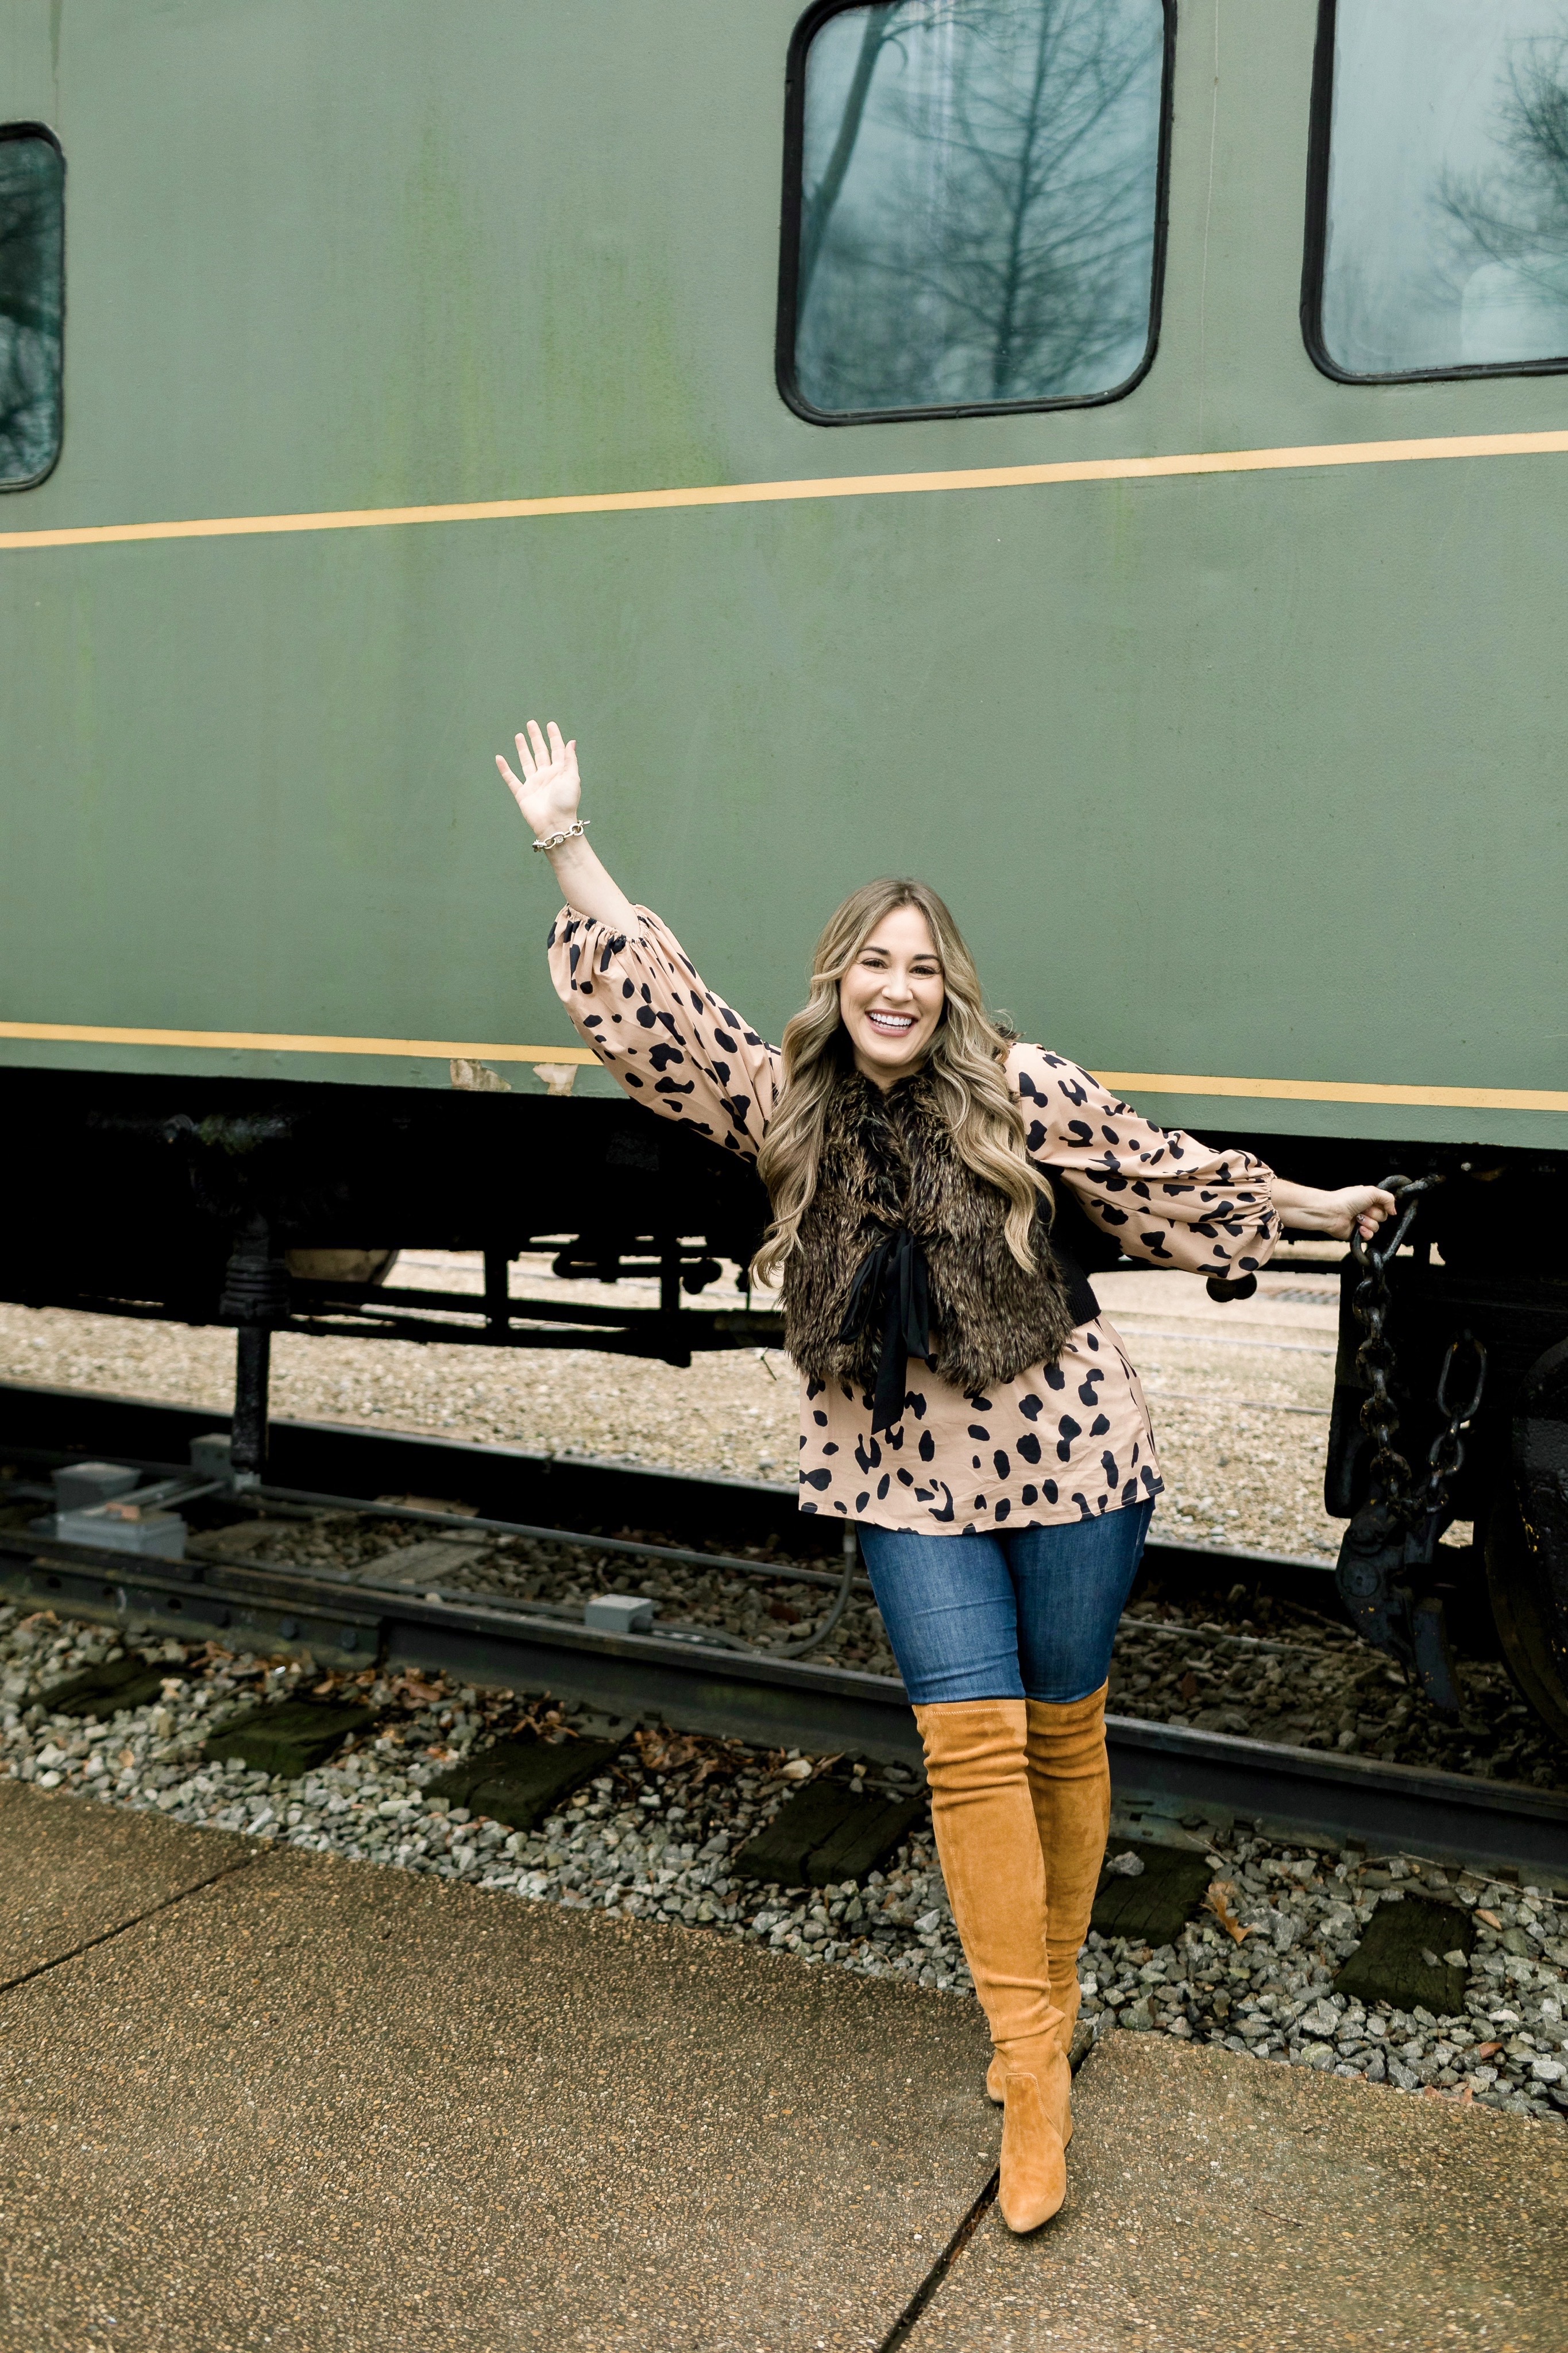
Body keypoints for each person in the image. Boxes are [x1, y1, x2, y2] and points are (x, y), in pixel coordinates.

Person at [497, 719, 1394, 2234]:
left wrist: (1318, 1207)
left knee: (1060, 1735)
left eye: (919, 965)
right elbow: (657, 1012)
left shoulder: (1020, 1091)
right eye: (870, 964)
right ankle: (1029, 2066)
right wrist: (563, 843)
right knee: (969, 1751)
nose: (895, 987)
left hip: (1072, 1457)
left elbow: (1161, 1175)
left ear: (947, 986)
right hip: (899, 1472)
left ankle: (1055, 1993)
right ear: (837, 985)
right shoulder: (783, 1104)